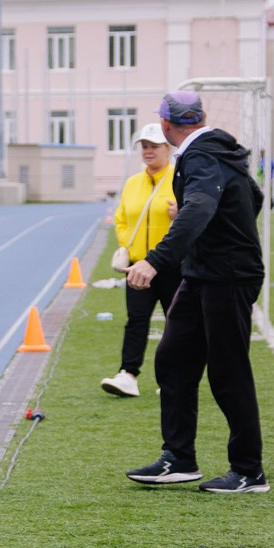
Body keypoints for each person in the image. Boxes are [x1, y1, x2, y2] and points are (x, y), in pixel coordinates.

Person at [125, 90, 266, 493]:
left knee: (228, 371)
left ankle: (249, 470)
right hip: (203, 273)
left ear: (167, 125)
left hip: (227, 277)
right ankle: (180, 458)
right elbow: (253, 197)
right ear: (200, 117)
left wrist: (154, 260)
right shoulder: (217, 150)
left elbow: (201, 207)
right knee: (173, 359)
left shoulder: (202, 154)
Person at [102, 120, 177, 398]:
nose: (148, 151)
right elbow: (121, 219)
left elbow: (194, 217)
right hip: (137, 265)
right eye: (144, 146)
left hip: (171, 264)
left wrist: (180, 213)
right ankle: (128, 374)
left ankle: (173, 378)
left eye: (154, 146)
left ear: (167, 148)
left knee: (176, 322)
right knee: (136, 320)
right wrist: (128, 247)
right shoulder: (133, 183)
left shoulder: (179, 179)